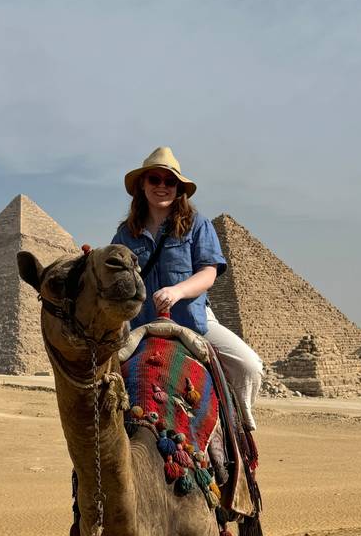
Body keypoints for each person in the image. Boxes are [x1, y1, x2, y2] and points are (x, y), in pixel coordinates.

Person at [111, 146, 264, 430]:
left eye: (170, 181)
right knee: (97, 379)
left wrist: (177, 291)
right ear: (142, 184)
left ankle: (239, 428)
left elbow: (208, 273)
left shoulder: (197, 225)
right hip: (142, 326)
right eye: (155, 179)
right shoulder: (125, 234)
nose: (162, 186)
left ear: (179, 188)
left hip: (193, 321)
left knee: (249, 366)